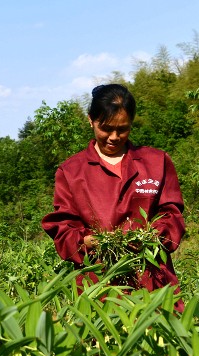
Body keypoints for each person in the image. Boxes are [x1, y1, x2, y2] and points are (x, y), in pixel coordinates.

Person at [42, 84, 185, 302]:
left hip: (152, 279)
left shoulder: (156, 162)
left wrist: (153, 236)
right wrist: (88, 241)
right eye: (106, 128)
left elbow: (172, 214)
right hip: (98, 284)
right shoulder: (71, 171)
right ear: (91, 120)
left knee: (160, 333)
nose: (114, 137)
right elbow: (63, 229)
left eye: (123, 129)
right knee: (103, 333)